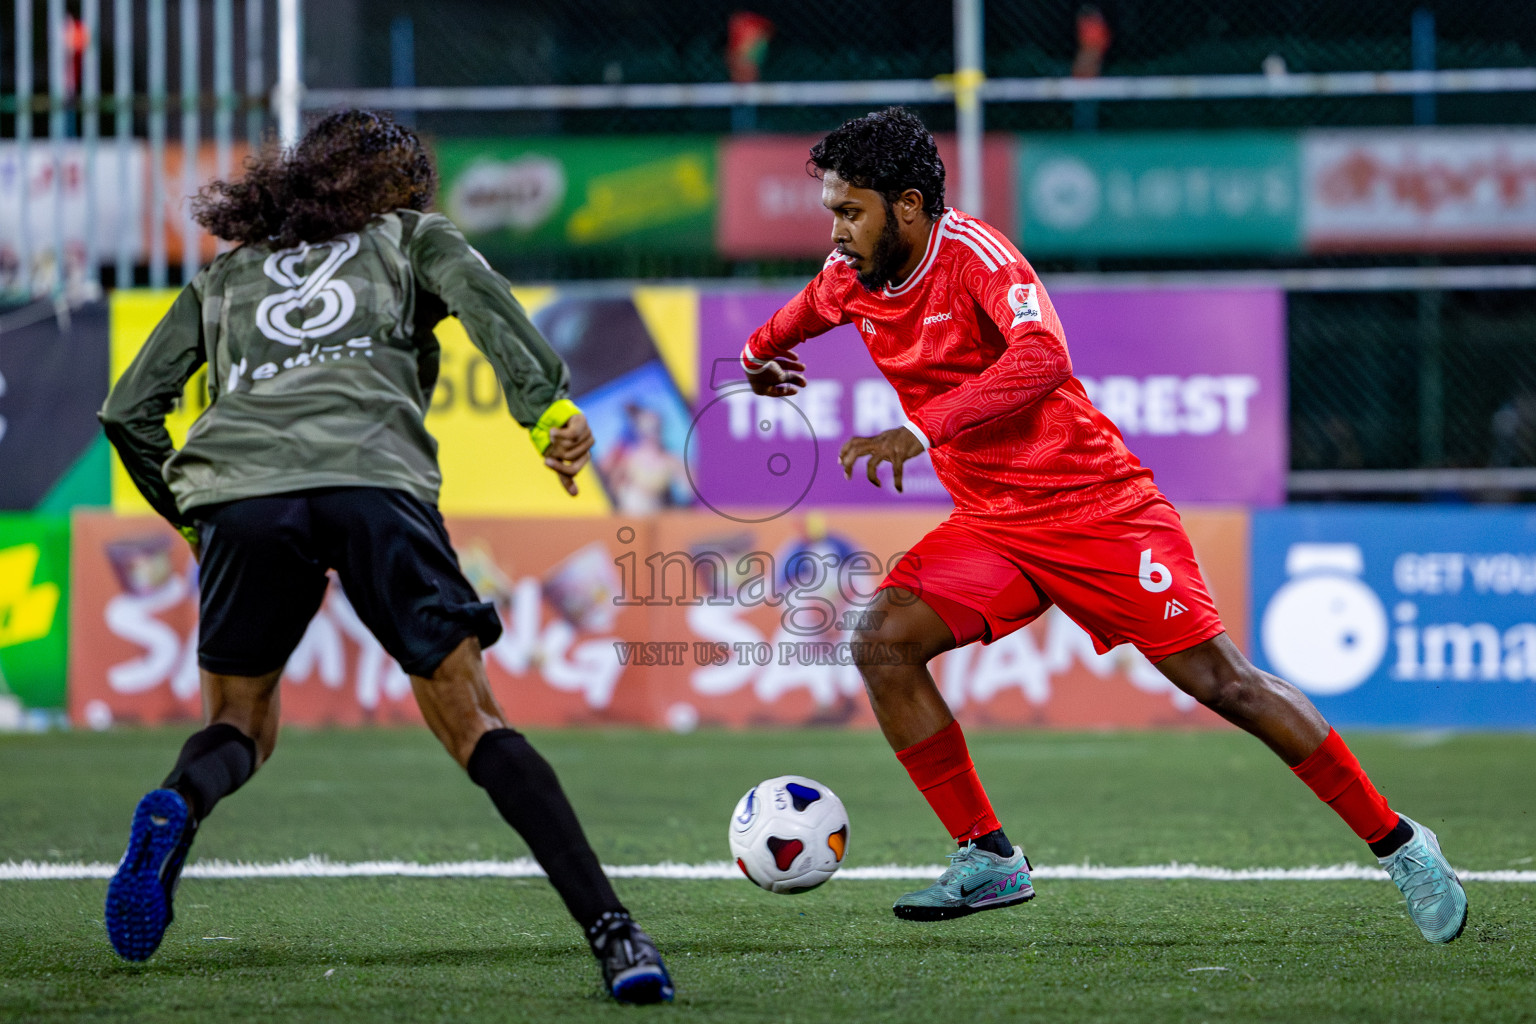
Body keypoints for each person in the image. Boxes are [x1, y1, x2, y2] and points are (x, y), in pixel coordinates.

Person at [741, 107, 1467, 943]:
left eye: (849, 211)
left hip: (1098, 512)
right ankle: (987, 859)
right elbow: (776, 334)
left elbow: (1043, 356)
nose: (835, 232)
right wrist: (761, 362)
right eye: (832, 211)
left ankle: (1402, 844)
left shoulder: (976, 254)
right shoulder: (848, 278)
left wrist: (922, 427)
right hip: (995, 526)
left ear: (907, 206)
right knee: (882, 640)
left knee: (1224, 685)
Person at [98, 110, 674, 1002]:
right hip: (374, 485)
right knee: (472, 718)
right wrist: (550, 415)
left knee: (242, 724)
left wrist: (192, 520)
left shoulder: (225, 272)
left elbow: (128, 411)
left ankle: (180, 801)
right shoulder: (410, 237)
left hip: (242, 498)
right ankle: (616, 936)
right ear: (397, 186)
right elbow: (487, 306)